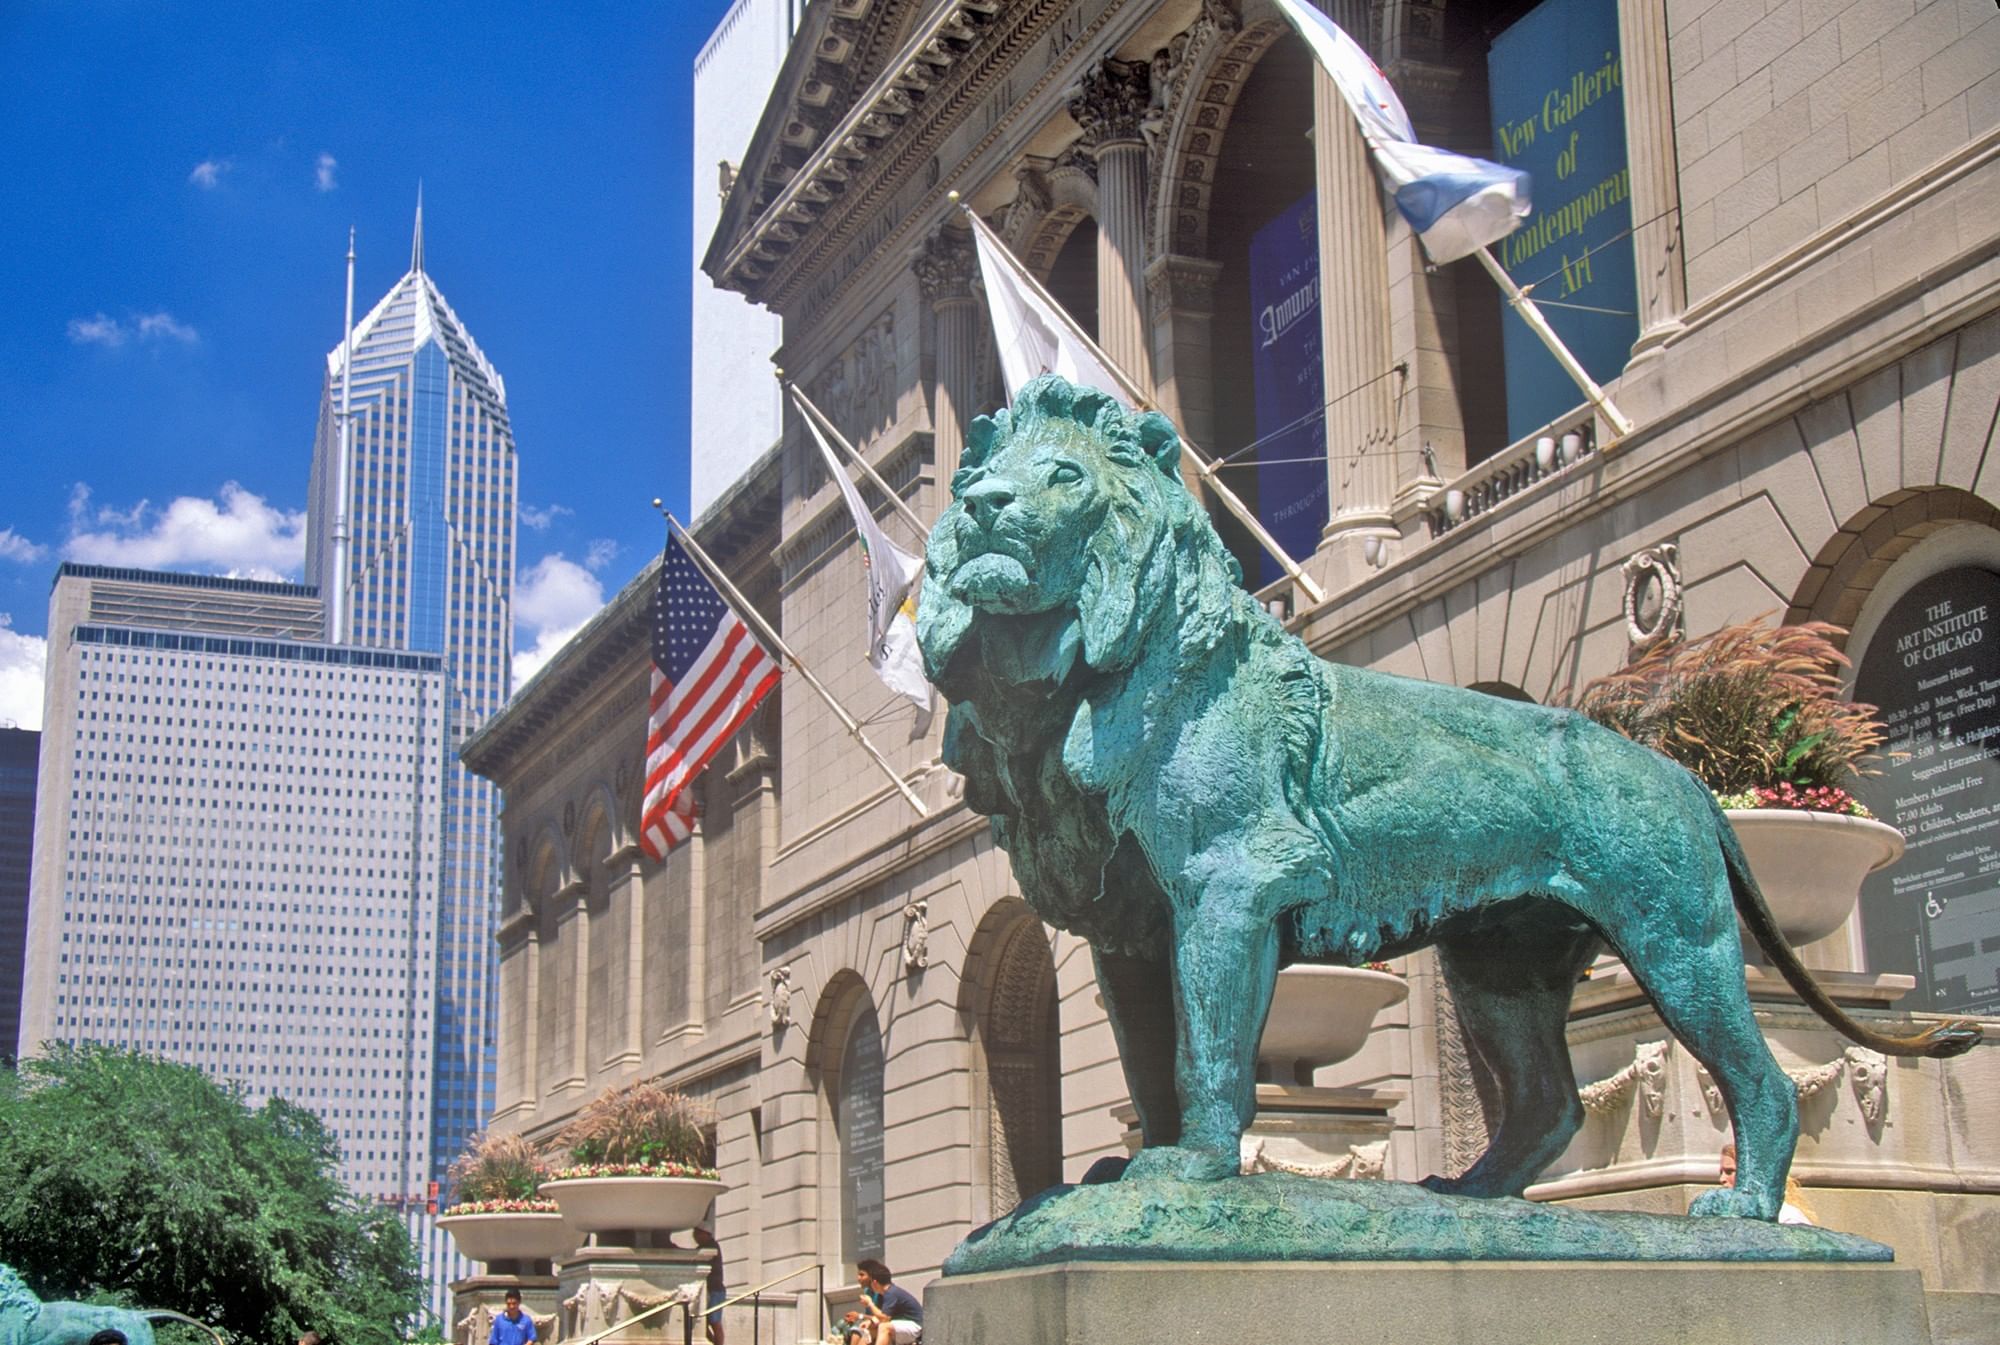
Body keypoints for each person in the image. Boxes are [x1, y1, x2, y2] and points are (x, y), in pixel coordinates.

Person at [1718, 1142, 1816, 1226]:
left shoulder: (1787, 1217)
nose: (1722, 1179)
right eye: (1721, 1172)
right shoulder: (1726, 1215)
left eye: (1729, 1171)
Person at [854, 1259, 921, 1345]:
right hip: (900, 1325)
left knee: (884, 1327)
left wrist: (870, 1303)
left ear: (874, 1282)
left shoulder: (891, 1293)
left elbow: (884, 1318)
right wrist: (870, 1323)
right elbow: (880, 1317)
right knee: (870, 1332)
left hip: (915, 1327)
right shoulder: (884, 1295)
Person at [692, 1223, 726, 1345]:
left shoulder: (712, 1246)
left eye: (697, 1232)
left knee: (714, 1320)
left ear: (706, 1234)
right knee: (702, 1323)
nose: (694, 1235)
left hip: (715, 1290)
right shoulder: (703, 1247)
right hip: (707, 1290)